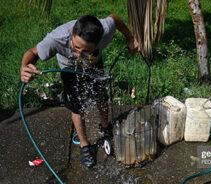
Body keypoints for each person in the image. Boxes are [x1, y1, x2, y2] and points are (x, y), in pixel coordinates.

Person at [20, 14, 139, 168]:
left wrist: (130, 37)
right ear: (72, 31)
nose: (78, 54)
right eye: (76, 48)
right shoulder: (56, 38)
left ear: (98, 41)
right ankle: (84, 145)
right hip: (69, 69)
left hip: (94, 64)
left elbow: (114, 18)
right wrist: (25, 66)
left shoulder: (105, 28)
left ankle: (105, 127)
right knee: (76, 106)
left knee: (101, 96)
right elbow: (33, 53)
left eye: (85, 51)